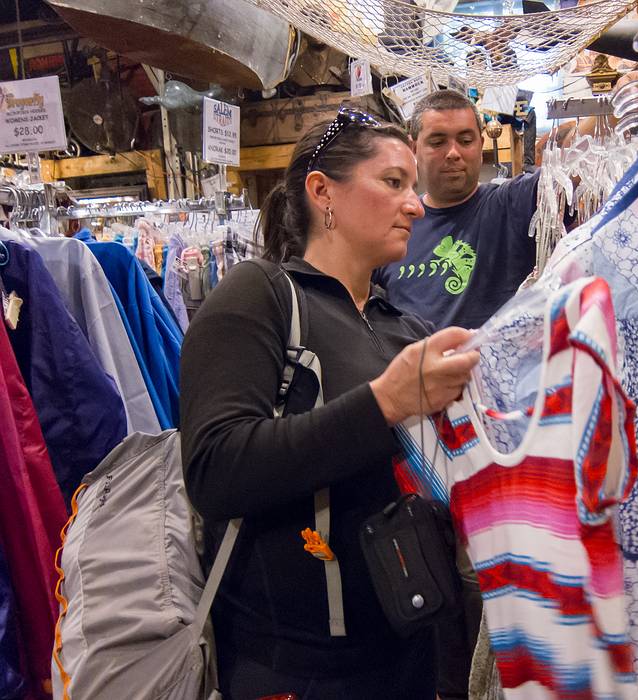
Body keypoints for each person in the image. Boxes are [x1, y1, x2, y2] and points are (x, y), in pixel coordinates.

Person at [179, 107, 480, 700]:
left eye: (413, 188)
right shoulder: (261, 296)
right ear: (323, 193)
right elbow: (215, 468)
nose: (416, 205)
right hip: (295, 671)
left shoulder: (405, 329)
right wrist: (384, 404)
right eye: (394, 183)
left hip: (415, 659)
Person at [373, 89, 540, 331]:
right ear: (414, 148)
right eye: (438, 142)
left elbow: (573, 170)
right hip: (413, 366)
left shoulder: (510, 205)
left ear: (480, 145)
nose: (453, 153)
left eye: (465, 141)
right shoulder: (395, 223)